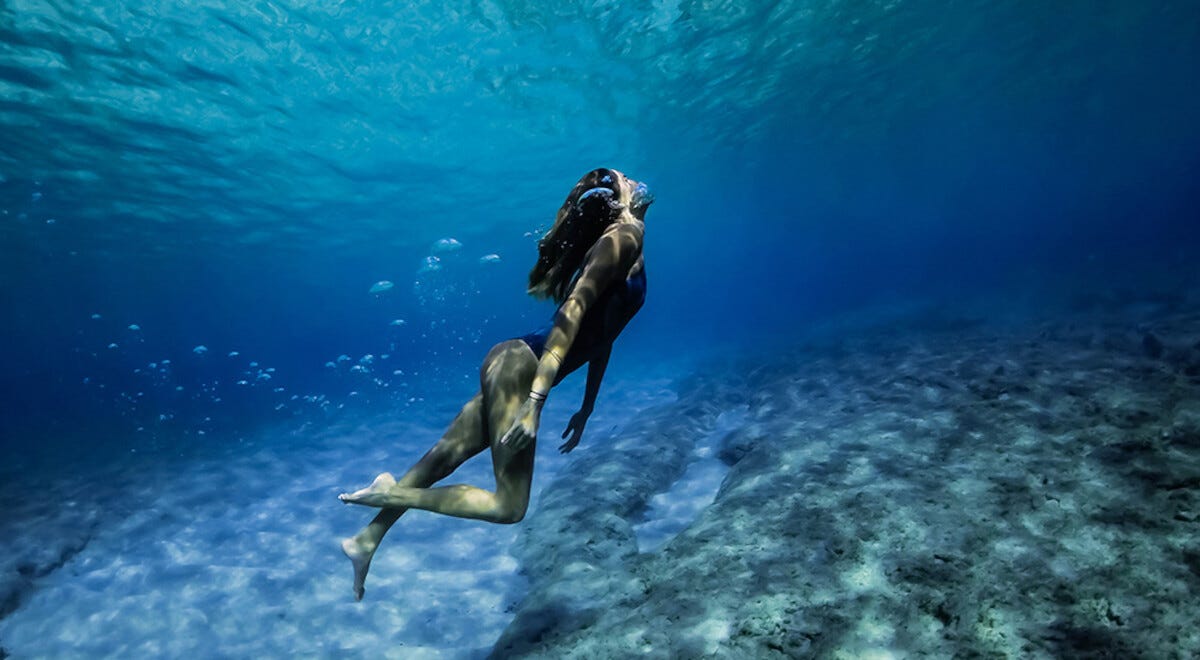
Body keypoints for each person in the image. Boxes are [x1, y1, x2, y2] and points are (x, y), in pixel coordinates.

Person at [338, 168, 652, 600]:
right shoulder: (624, 235)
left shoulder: (625, 244)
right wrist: (535, 402)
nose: (633, 182)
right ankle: (388, 494)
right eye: (625, 180)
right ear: (618, 202)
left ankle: (366, 540)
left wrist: (587, 407)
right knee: (509, 506)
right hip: (519, 369)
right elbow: (572, 313)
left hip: (512, 362)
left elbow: (604, 335)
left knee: (442, 459)